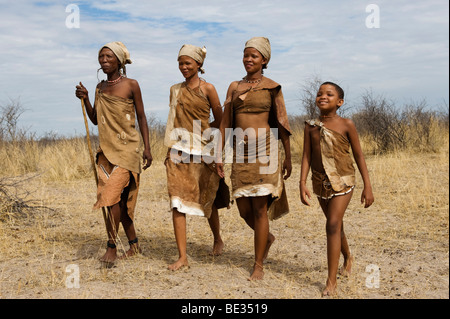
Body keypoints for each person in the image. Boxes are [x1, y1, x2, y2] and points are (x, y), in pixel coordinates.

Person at [217, 37, 292, 280]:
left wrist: (288, 158)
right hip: (241, 153)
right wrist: (219, 155)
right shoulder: (234, 87)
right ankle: (266, 238)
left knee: (260, 208)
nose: (248, 59)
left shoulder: (272, 87)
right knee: (243, 209)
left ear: (265, 60)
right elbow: (226, 123)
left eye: (254, 56)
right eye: (246, 55)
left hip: (266, 150)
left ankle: (258, 264)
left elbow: (282, 123)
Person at [75, 41, 152, 263]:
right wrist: (87, 98)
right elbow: (96, 120)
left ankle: (111, 247)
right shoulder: (100, 87)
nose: (104, 61)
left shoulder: (131, 84)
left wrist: (147, 148)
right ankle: (134, 245)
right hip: (106, 151)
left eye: (109, 57)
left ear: (119, 60)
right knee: (121, 201)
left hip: (127, 149)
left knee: (111, 198)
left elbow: (142, 117)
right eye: (102, 57)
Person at [299, 81, 374, 296]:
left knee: (332, 225)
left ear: (339, 102)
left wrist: (368, 186)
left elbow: (359, 155)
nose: (323, 96)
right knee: (336, 225)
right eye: (320, 93)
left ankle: (330, 281)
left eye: (329, 94)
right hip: (320, 182)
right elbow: (306, 155)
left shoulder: (346, 124)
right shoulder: (310, 126)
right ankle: (348, 257)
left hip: (343, 181)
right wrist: (302, 183)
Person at [165, 44, 229, 271]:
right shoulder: (175, 90)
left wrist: (213, 148)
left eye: (187, 63)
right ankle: (182, 257)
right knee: (177, 202)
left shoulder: (208, 89)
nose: (183, 67)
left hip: (203, 152)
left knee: (207, 199)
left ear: (198, 65)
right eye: (180, 63)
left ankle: (218, 238)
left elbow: (221, 122)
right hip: (177, 151)